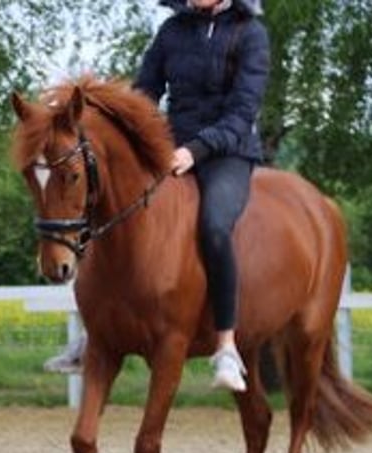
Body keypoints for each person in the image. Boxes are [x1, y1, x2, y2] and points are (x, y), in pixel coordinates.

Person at [47, 0, 270, 393]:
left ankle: (227, 345)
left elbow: (241, 113)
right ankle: (96, 331)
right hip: (169, 149)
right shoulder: (171, 31)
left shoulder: (250, 34)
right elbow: (145, 94)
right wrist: (106, 122)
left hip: (226, 154)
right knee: (111, 210)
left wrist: (195, 150)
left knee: (215, 226)